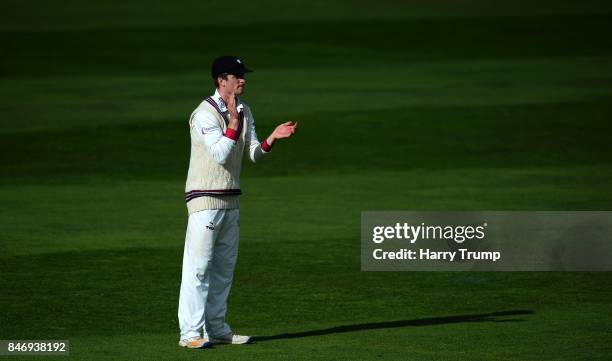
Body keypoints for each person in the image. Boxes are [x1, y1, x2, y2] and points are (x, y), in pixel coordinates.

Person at [177, 55, 298, 349]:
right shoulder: (204, 114)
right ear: (221, 80)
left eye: (243, 75)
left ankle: (217, 329)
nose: (242, 79)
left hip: (231, 201)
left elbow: (253, 153)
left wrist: (272, 138)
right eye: (236, 75)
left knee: (223, 269)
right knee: (199, 267)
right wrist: (232, 121)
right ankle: (190, 334)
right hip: (204, 199)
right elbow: (219, 153)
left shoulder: (244, 109)